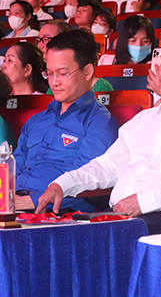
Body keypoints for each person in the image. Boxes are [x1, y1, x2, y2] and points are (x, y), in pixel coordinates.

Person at [35, 32, 161, 235]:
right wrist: (62, 184)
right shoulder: (144, 119)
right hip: (119, 218)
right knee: (53, 233)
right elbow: (108, 165)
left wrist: (143, 201)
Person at [13, 30, 120, 212]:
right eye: (50, 73)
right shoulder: (36, 121)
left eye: (62, 73)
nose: (54, 82)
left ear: (87, 72)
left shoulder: (99, 122)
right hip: (11, 207)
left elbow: (85, 180)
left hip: (58, 213)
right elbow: (14, 165)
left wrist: (29, 202)